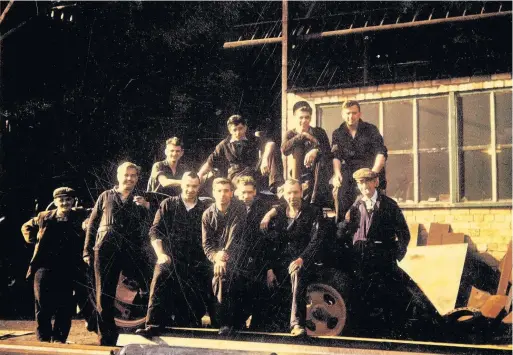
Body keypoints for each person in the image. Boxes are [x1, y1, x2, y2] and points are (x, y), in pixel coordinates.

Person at [136, 172, 213, 337]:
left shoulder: (205, 209)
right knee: (161, 274)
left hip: (195, 260)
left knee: (193, 301)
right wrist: (161, 254)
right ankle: (153, 325)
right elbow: (155, 231)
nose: (190, 189)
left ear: (199, 187)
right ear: (181, 185)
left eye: (194, 186)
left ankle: (192, 325)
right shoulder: (168, 204)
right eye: (187, 185)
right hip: (170, 257)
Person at [336, 168, 411, 337]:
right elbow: (344, 231)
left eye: (368, 181)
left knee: (384, 295)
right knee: (362, 294)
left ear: (376, 182)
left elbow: (404, 234)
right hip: (360, 258)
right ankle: (365, 334)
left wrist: (396, 256)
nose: (365, 186)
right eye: (361, 183)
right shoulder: (356, 206)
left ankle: (386, 335)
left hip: (382, 257)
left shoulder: (389, 205)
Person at [83, 162, 152, 346]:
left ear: (137, 179)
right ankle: (106, 336)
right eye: (126, 175)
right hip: (105, 249)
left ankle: (147, 323)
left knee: (145, 283)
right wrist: (86, 250)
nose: (129, 179)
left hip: (130, 250)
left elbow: (150, 226)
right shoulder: (106, 196)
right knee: (103, 294)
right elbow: (92, 224)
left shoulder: (139, 200)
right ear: (118, 176)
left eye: (133, 176)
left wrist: (146, 207)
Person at [21, 187, 88, 343]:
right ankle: (43, 338)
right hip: (45, 265)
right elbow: (26, 227)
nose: (65, 203)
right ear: (55, 201)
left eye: (68, 200)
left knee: (64, 304)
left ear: (73, 201)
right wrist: (34, 240)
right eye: (61, 200)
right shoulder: (45, 217)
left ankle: (59, 338)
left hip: (68, 267)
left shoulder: (79, 215)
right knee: (42, 302)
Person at [266, 179, 324, 336]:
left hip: (305, 261)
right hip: (282, 261)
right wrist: (270, 268)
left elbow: (316, 240)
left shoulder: (313, 212)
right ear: (284, 195)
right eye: (289, 193)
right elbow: (272, 244)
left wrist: (301, 259)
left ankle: (296, 323)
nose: (293, 196)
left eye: (296, 192)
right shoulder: (279, 214)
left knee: (296, 272)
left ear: (301, 192)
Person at [202, 177, 251, 335]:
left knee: (225, 275)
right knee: (218, 277)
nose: (223, 194)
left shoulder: (239, 209)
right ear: (213, 193)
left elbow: (235, 237)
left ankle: (228, 322)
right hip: (215, 259)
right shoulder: (207, 215)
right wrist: (216, 258)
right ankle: (222, 322)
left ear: (231, 193)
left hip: (236, 256)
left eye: (226, 191)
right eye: (219, 191)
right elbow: (207, 244)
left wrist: (222, 258)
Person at [331, 100, 387, 221]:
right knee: (341, 196)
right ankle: (342, 232)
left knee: (370, 210)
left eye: (354, 113)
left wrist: (372, 174)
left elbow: (381, 154)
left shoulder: (371, 130)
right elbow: (336, 156)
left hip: (369, 171)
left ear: (359, 114)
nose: (351, 116)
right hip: (349, 174)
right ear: (342, 114)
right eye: (348, 113)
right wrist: (337, 174)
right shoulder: (338, 133)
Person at [233, 176, 277, 330]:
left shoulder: (262, 208)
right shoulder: (232, 207)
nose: (246, 196)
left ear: (255, 192)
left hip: (257, 258)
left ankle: (257, 327)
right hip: (237, 260)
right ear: (237, 192)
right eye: (243, 192)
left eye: (250, 192)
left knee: (260, 293)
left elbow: (282, 203)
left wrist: (269, 214)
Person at [198, 115, 283, 193]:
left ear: (245, 128)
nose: (238, 132)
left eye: (240, 128)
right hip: (236, 175)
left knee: (271, 149)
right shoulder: (224, 144)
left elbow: (270, 143)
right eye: (234, 130)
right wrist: (199, 175)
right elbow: (210, 162)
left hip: (253, 171)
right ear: (230, 130)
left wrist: (265, 160)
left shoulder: (252, 139)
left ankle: (276, 185)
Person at [282, 101, 332, 206]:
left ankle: (314, 197)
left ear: (310, 118)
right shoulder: (291, 134)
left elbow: (328, 152)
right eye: (301, 117)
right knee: (297, 148)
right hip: (299, 171)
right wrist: (302, 135)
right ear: (295, 117)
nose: (304, 120)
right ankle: (297, 185)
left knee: (319, 157)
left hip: (318, 171)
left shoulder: (319, 132)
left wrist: (316, 150)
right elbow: (284, 150)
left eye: (307, 117)